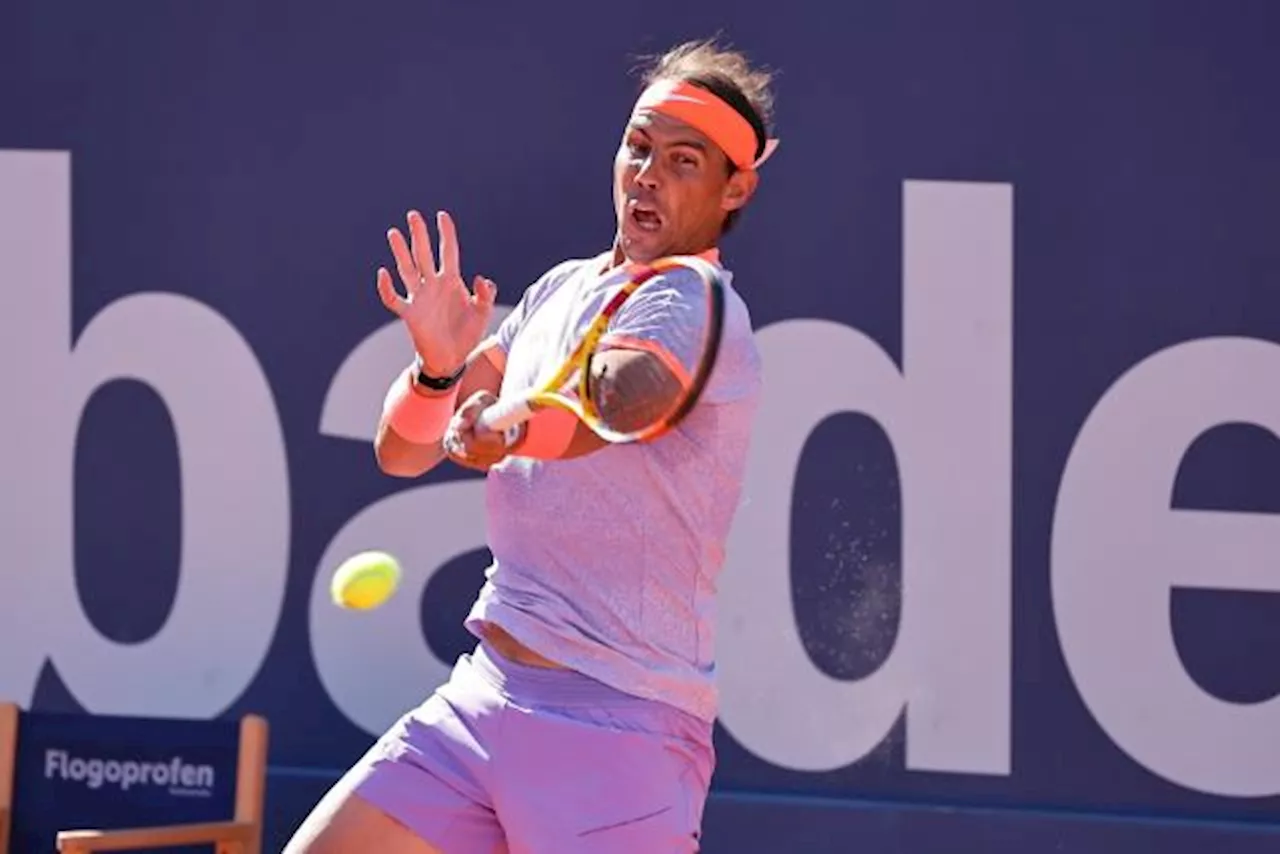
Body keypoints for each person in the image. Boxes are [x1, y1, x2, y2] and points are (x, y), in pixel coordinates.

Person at [284, 37, 779, 854]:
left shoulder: (697, 307)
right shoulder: (560, 289)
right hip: (482, 699)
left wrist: (512, 424)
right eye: (638, 146)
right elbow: (402, 451)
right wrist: (439, 372)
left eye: (683, 160)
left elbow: (615, 400)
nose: (647, 174)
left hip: (619, 734)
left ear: (736, 187)